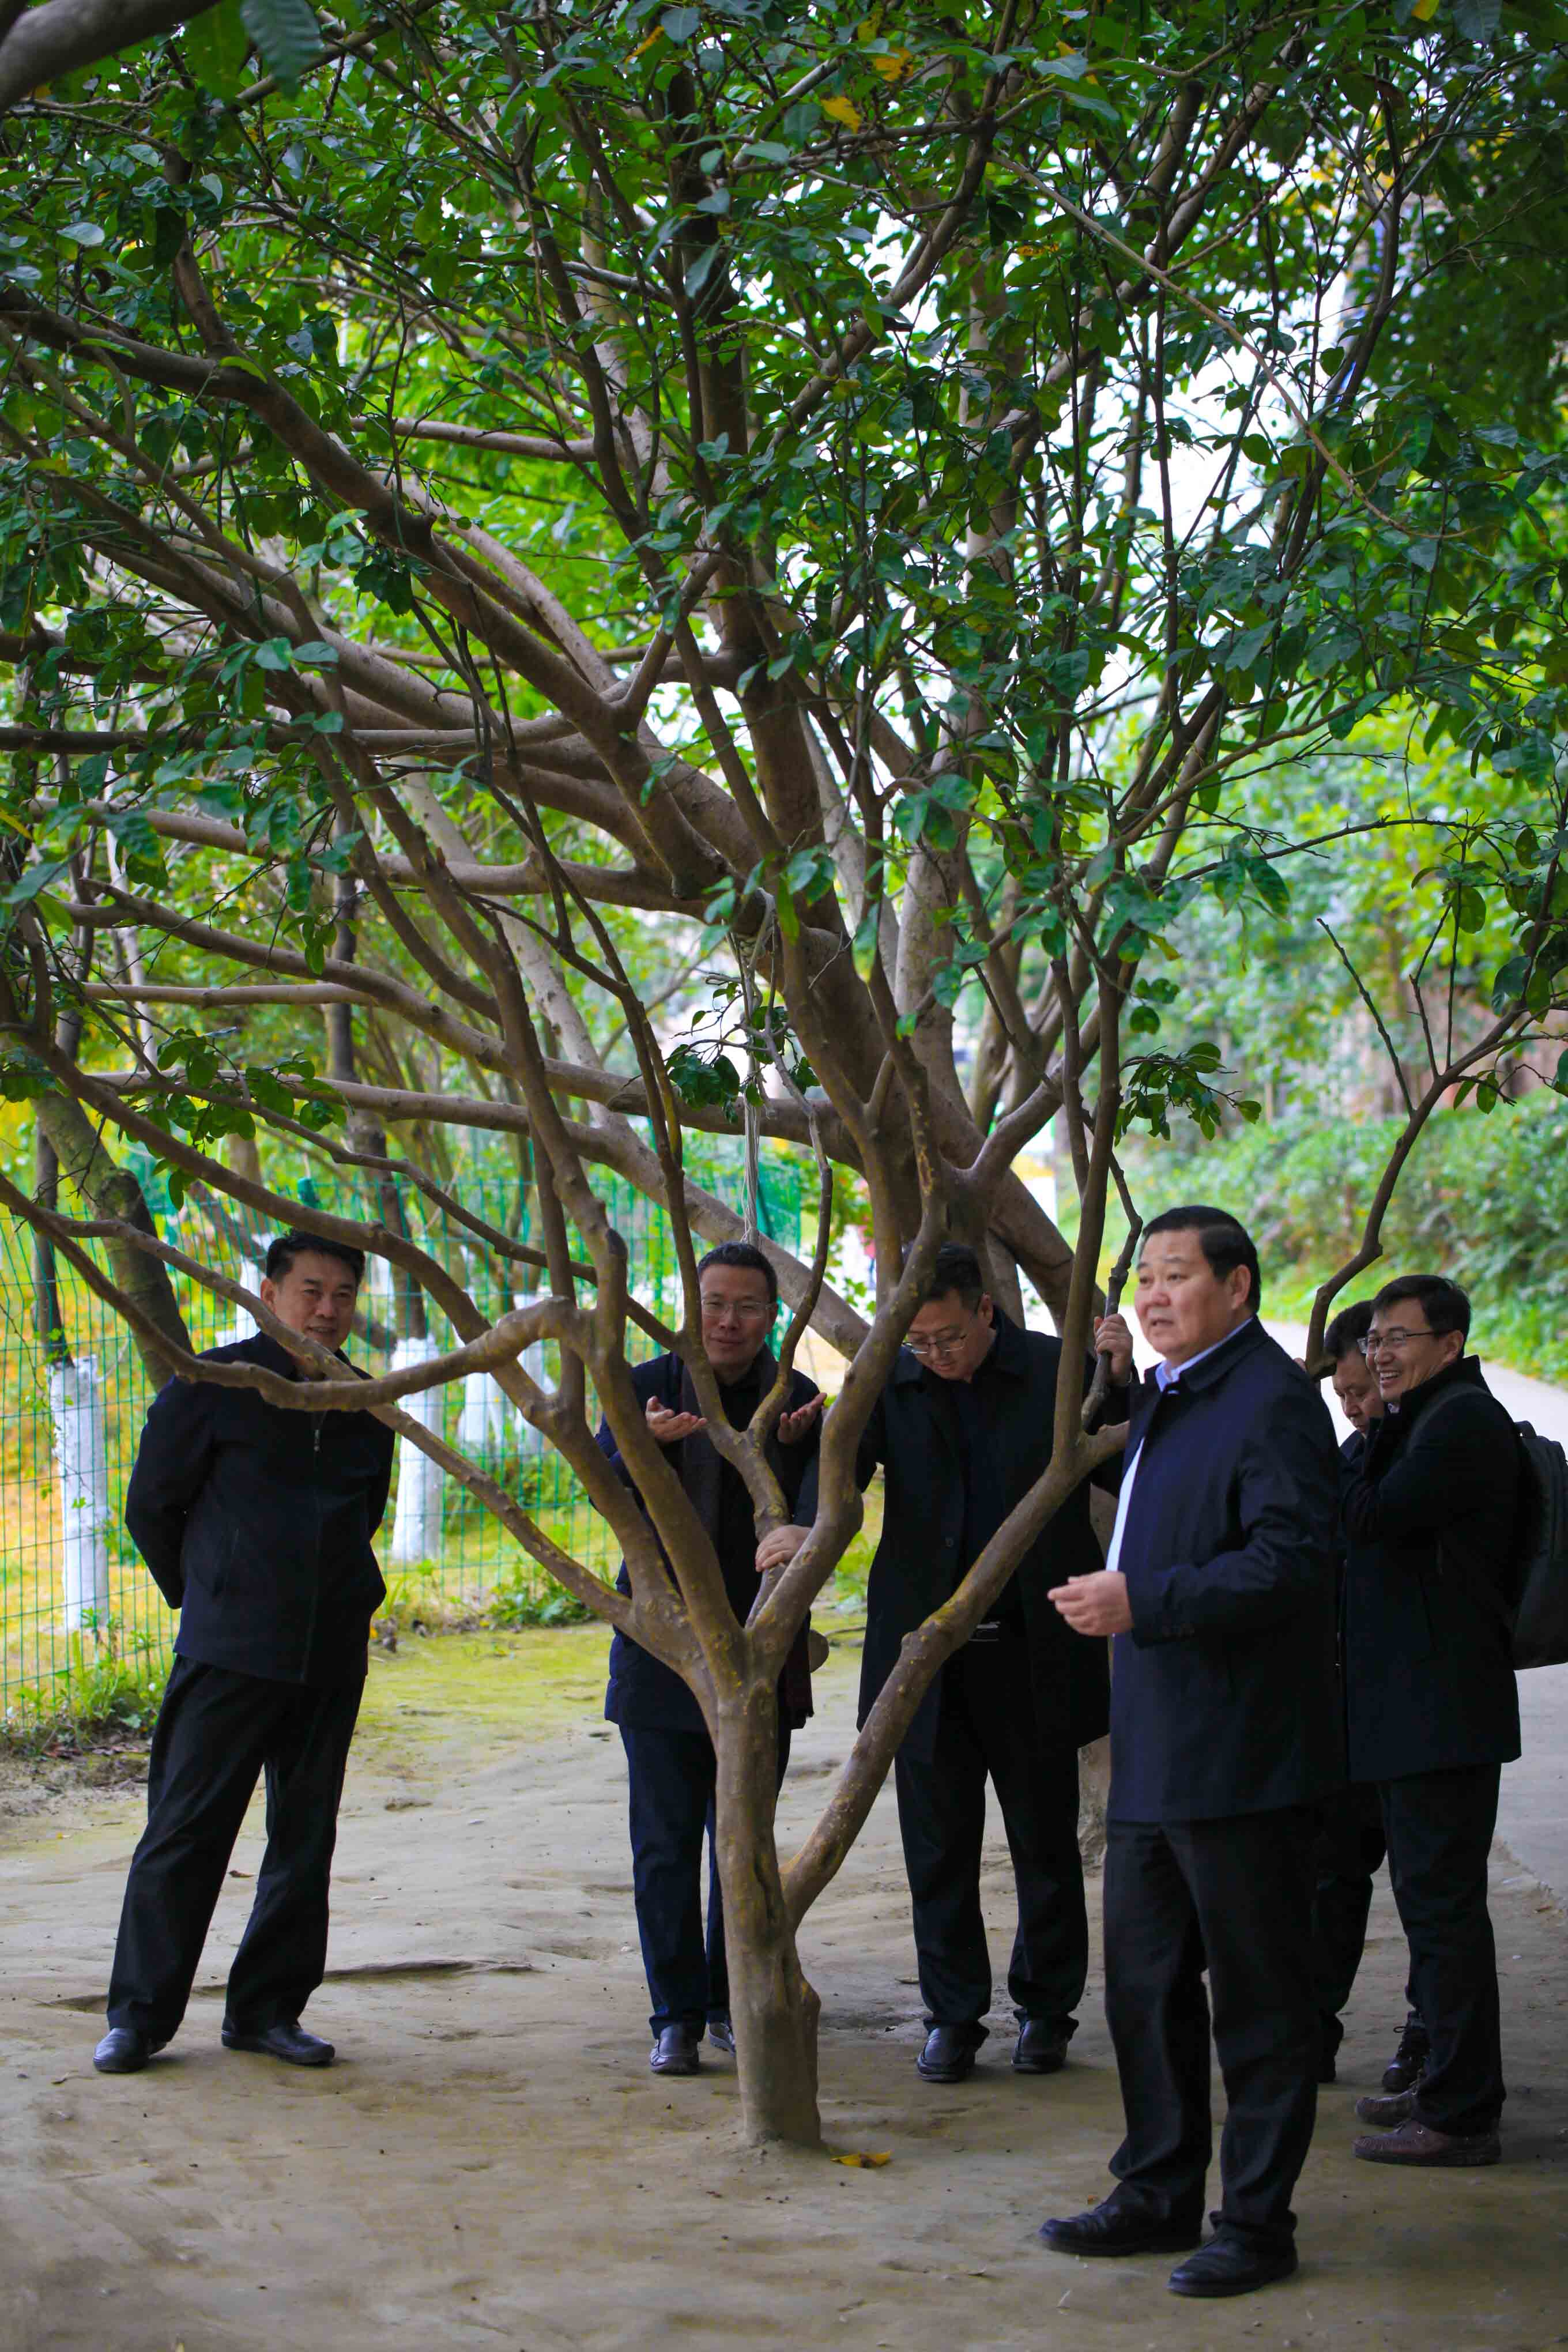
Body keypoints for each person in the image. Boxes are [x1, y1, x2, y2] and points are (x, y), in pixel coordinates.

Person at [1042, 1205, 1340, 2301]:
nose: (1155, 1296)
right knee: (1146, 1985)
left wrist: (1144, 1599)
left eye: (1177, 1277)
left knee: (1259, 2002)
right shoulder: (1170, 1391)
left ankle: (1256, 2222)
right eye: (1146, 1278)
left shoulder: (1270, 1401)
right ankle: (1158, 2190)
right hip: (1157, 1747)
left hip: (1246, 1751)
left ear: (1240, 1288)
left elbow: (1295, 1563)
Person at [760, 1241, 1132, 2087]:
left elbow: (1137, 1447)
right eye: (920, 1341)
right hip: (923, 1662)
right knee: (938, 1847)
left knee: (1044, 1841)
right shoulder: (887, 1378)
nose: (936, 1354)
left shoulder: (1057, 1370)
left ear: (986, 1311)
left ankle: (1046, 2011)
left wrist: (1124, 1375)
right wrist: (803, 1513)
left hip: (1035, 1646)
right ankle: (953, 2017)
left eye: (950, 1337)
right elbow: (837, 1478)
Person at [94, 1232, 395, 2076]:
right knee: (185, 1831)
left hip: (331, 1652)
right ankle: (138, 2018)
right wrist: (209, 1594)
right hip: (228, 1650)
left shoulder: (368, 1399)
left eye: (342, 1293)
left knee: (304, 1838)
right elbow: (153, 1508)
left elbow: (367, 1509)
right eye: (309, 1289)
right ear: (267, 1290)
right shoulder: (213, 1385)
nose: (327, 1308)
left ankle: (266, 2013)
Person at [598, 1241, 822, 2077]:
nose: (729, 1322)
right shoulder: (642, 1384)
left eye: (748, 1308)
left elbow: (822, 1502)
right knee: (662, 1844)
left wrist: (800, 1489)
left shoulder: (795, 1399)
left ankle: (738, 2000)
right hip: (661, 1649)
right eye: (714, 1304)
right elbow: (602, 1486)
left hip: (763, 1649)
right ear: (690, 1308)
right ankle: (675, 2016)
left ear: (773, 1318)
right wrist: (641, 1449)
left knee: (745, 1838)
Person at [1341, 1274, 1522, 2169]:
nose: (1380, 1354)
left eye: (1397, 1338)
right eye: (1374, 1338)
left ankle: (1461, 2113)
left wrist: (1371, 1432)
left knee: (1446, 1914)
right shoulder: (1431, 1419)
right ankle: (1445, 2082)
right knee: (1432, 1910)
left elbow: (1369, 1517)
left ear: (1449, 1343)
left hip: (1441, 1708)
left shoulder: (1458, 1425)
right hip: (1419, 1707)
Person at [1310, 1303, 1426, 2094]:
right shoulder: (1357, 1451)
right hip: (1345, 1712)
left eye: (1361, 1389)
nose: (1354, 1408)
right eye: (1343, 1396)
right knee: (1329, 1878)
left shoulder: (1423, 1448)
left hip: (1415, 1715)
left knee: (1426, 1892)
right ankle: (1312, 2029)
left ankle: (1429, 2037)